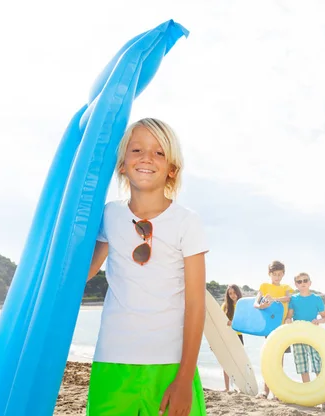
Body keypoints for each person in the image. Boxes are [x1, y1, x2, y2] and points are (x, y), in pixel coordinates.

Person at [85, 118, 209, 416]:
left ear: (172, 169)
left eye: (158, 153)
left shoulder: (186, 221)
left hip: (170, 364)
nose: (146, 158)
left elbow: (196, 304)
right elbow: (84, 273)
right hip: (112, 361)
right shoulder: (108, 215)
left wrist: (183, 379)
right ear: (122, 164)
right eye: (137, 149)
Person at [284, 272, 325, 410]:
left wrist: (319, 321)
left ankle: (324, 399)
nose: (303, 283)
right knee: (302, 366)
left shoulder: (316, 299)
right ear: (296, 285)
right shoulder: (293, 299)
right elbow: (289, 316)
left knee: (318, 366)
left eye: (305, 280)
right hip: (298, 336)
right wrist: (287, 321)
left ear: (310, 282)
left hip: (313, 336)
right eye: (299, 281)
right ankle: (309, 397)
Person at [253, 260, 292, 399]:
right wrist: (261, 306)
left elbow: (288, 298)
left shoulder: (286, 286)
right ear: (269, 274)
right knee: (268, 358)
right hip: (269, 328)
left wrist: (273, 298)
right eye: (274, 274)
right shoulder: (264, 286)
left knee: (279, 360)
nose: (277, 277)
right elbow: (256, 303)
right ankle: (265, 391)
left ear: (283, 274)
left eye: (279, 274)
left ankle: (277, 393)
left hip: (282, 328)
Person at [221, 284, 244, 391]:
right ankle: (227, 388)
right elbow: (220, 322)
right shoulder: (225, 306)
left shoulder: (243, 305)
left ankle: (239, 387)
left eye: (234, 293)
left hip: (238, 336)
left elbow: (245, 323)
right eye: (230, 293)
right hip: (227, 336)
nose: (233, 295)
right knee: (227, 362)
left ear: (238, 293)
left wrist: (233, 323)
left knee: (238, 362)